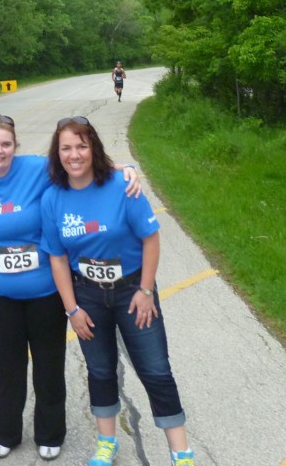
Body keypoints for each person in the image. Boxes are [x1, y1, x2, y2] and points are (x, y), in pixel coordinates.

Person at [0, 114, 143, 461]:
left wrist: (127, 168)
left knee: (48, 364)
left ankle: (50, 433)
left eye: (5, 144)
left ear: (15, 146)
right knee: (5, 365)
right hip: (1, 295)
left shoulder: (36, 168)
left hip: (46, 292)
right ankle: (6, 432)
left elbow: (80, 163)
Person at [40, 116, 196, 466]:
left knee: (155, 369)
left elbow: (150, 239)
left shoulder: (123, 186)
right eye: (66, 148)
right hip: (87, 295)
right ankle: (106, 443)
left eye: (82, 146)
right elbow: (58, 258)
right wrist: (72, 309)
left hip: (132, 292)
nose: (74, 155)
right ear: (57, 153)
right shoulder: (52, 198)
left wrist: (146, 290)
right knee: (100, 370)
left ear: (93, 148)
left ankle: (181, 452)